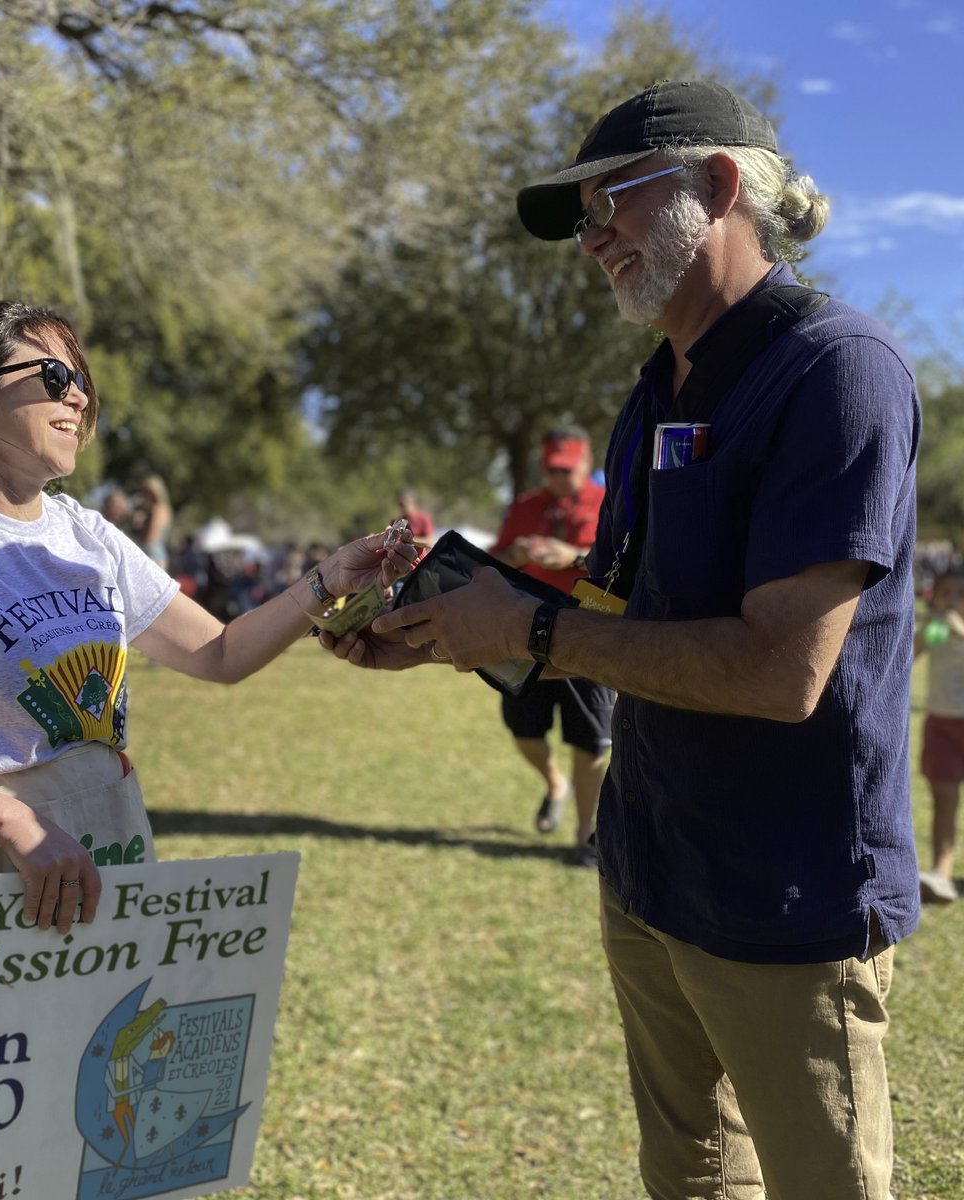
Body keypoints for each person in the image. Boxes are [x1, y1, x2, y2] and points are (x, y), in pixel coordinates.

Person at [338, 80, 922, 1199]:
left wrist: (536, 626)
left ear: (717, 185)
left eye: (613, 200)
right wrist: (458, 629)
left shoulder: (838, 371)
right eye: (585, 213)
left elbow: (780, 670)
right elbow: (617, 621)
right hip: (650, 870)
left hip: (786, 898)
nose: (592, 235)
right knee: (693, 1180)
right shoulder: (656, 387)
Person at [0, 300, 414, 935]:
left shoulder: (88, 535)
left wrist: (328, 580)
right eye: (54, 378)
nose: (79, 399)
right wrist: (13, 822)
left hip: (104, 864)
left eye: (82, 381)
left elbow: (219, 654)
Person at [490, 428, 613, 855]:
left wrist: (573, 557)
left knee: (590, 739)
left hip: (590, 631)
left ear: (586, 462)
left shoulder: (609, 500)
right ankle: (554, 783)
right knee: (523, 729)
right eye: (552, 469)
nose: (559, 477)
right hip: (524, 633)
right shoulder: (526, 505)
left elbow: (629, 563)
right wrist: (516, 557)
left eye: (567, 469)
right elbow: (494, 561)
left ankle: (585, 837)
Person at [913, 566, 964, 903]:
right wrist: (930, 627)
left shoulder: (955, 630)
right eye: (945, 593)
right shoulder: (937, 630)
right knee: (944, 802)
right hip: (941, 728)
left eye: (960, 594)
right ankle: (941, 875)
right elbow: (911, 653)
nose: (951, 600)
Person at [130, 474, 173, 568]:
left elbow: (150, 538)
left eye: (145, 492)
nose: (143, 496)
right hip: (157, 556)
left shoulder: (157, 509)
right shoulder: (163, 508)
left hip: (153, 557)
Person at [395, 488, 435, 553]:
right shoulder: (397, 521)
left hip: (419, 561)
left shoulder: (423, 519)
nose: (402, 507)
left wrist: (409, 539)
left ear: (412, 502)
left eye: (403, 504)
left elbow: (430, 542)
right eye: (400, 505)